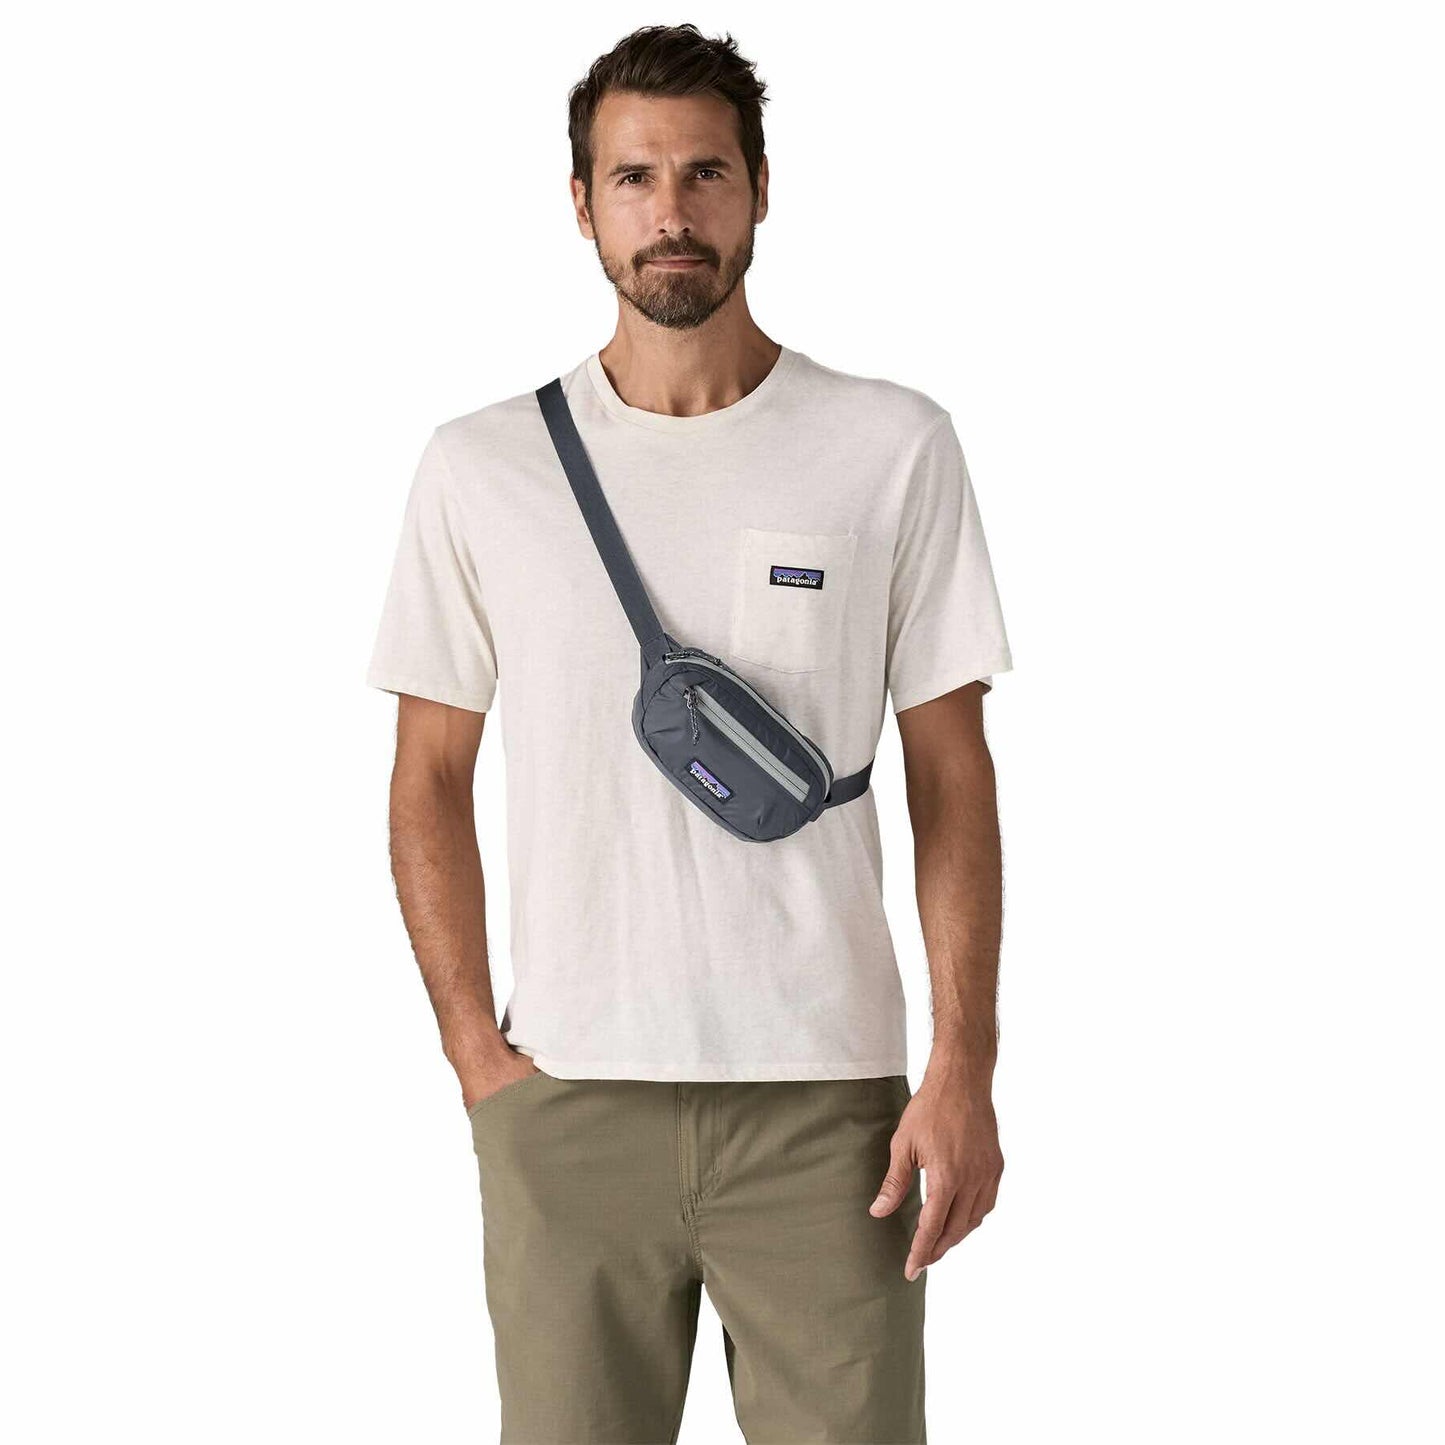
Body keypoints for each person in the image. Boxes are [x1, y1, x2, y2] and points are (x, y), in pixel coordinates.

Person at [366, 22, 1012, 1444]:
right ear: (582, 203)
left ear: (761, 188)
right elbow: (428, 776)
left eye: (705, 172)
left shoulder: (891, 445)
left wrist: (962, 1064)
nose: (671, 210)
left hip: (830, 1111)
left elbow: (951, 775)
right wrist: (479, 1059)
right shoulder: (480, 466)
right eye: (634, 176)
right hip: (567, 1101)